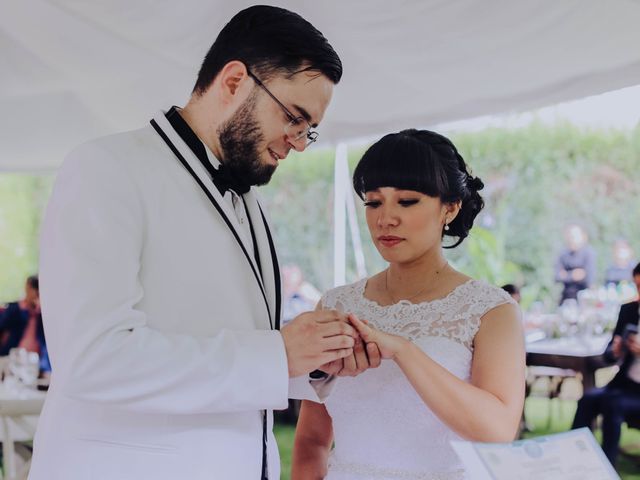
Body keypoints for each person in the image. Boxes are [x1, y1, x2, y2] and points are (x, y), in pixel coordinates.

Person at [31, 6, 379, 480]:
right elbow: (94, 359)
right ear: (235, 80)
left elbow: (222, 337)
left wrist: (313, 362)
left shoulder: (249, 200)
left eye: (309, 130)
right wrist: (276, 354)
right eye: (294, 118)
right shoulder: (105, 168)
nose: (298, 143)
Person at [292, 130, 525, 479]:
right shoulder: (336, 303)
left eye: (407, 201)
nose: (386, 218)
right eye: (373, 202)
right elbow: (311, 440)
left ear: (450, 207)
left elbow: (497, 431)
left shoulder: (492, 310)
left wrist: (404, 350)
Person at [572, 262, 640, 467]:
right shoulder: (629, 310)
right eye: (638, 286)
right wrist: (616, 351)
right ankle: (574, 460)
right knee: (587, 399)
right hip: (623, 385)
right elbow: (608, 354)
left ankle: (605, 467)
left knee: (612, 405)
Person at [0, 275, 51, 373]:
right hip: (13, 357)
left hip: (37, 362)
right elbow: (2, 323)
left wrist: (40, 308)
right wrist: (21, 307)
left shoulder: (42, 313)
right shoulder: (16, 308)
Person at [554, 223, 596, 305]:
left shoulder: (588, 253)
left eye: (574, 236)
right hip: (566, 297)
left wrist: (566, 275)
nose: (571, 239)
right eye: (569, 236)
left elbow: (589, 278)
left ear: (583, 237)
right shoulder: (563, 254)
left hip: (584, 298)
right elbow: (557, 276)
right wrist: (573, 275)